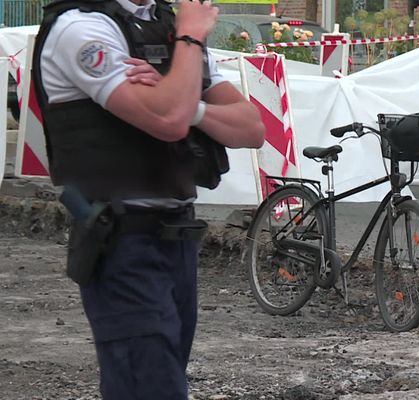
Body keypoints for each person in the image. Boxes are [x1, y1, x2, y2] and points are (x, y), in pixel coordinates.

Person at [31, 0, 265, 398]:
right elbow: (167, 121)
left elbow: (251, 128)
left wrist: (190, 104)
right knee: (151, 388)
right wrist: (190, 40)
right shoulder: (82, 28)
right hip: (122, 241)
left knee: (158, 380)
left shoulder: (166, 27)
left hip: (178, 239)